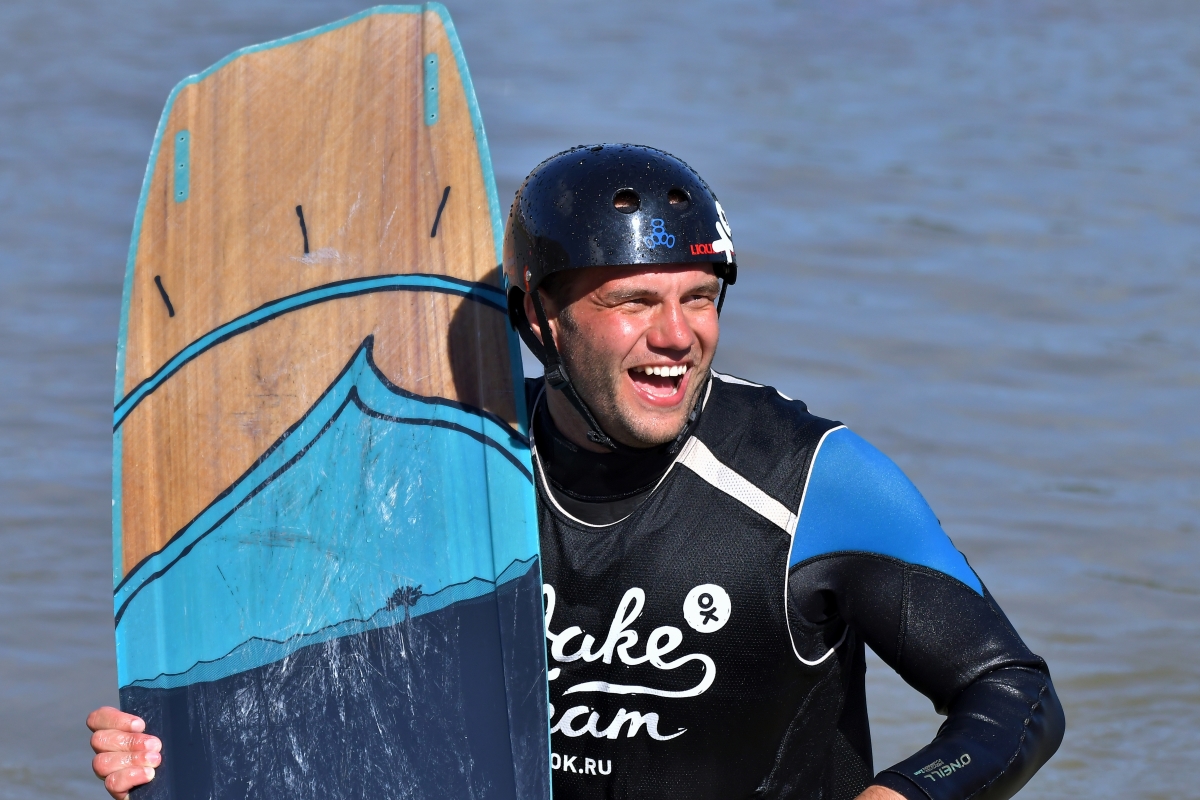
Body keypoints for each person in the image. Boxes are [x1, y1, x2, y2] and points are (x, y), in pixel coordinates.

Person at [88, 144, 1064, 800]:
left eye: (699, 297)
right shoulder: (440, 478)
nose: (678, 334)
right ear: (539, 318)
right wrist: (184, 759)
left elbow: (1013, 696)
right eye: (634, 301)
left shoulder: (813, 477)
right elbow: (333, 722)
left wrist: (901, 798)